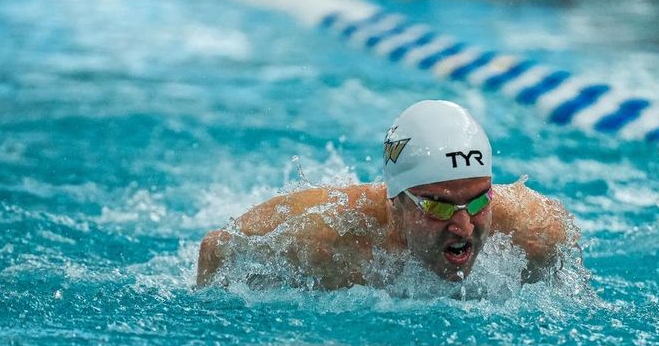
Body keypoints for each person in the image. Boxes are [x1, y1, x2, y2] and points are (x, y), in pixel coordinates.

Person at [196, 100, 578, 290]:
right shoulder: (327, 237)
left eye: (479, 201)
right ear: (395, 203)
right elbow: (217, 248)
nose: (463, 227)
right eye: (437, 206)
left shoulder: (536, 233)